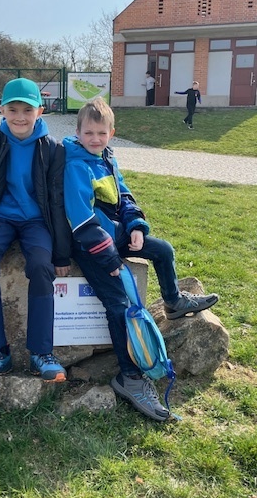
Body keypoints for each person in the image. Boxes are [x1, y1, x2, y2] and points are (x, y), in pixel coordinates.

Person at [63, 98, 219, 421]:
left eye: (101, 133)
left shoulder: (107, 158)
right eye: (88, 133)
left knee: (163, 250)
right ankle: (130, 378)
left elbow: (123, 195)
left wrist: (134, 226)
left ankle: (174, 302)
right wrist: (111, 259)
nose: (95, 139)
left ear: (111, 133)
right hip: (90, 246)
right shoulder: (76, 165)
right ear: (77, 132)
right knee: (119, 305)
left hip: (117, 234)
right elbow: (82, 220)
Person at [0, 77, 71, 392]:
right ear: (1, 110)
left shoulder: (53, 149)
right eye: (13, 109)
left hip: (36, 221)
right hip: (1, 219)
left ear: (40, 111)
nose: (20, 117)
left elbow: (57, 201)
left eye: (27, 109)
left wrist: (61, 253)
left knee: (41, 266)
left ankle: (41, 352)